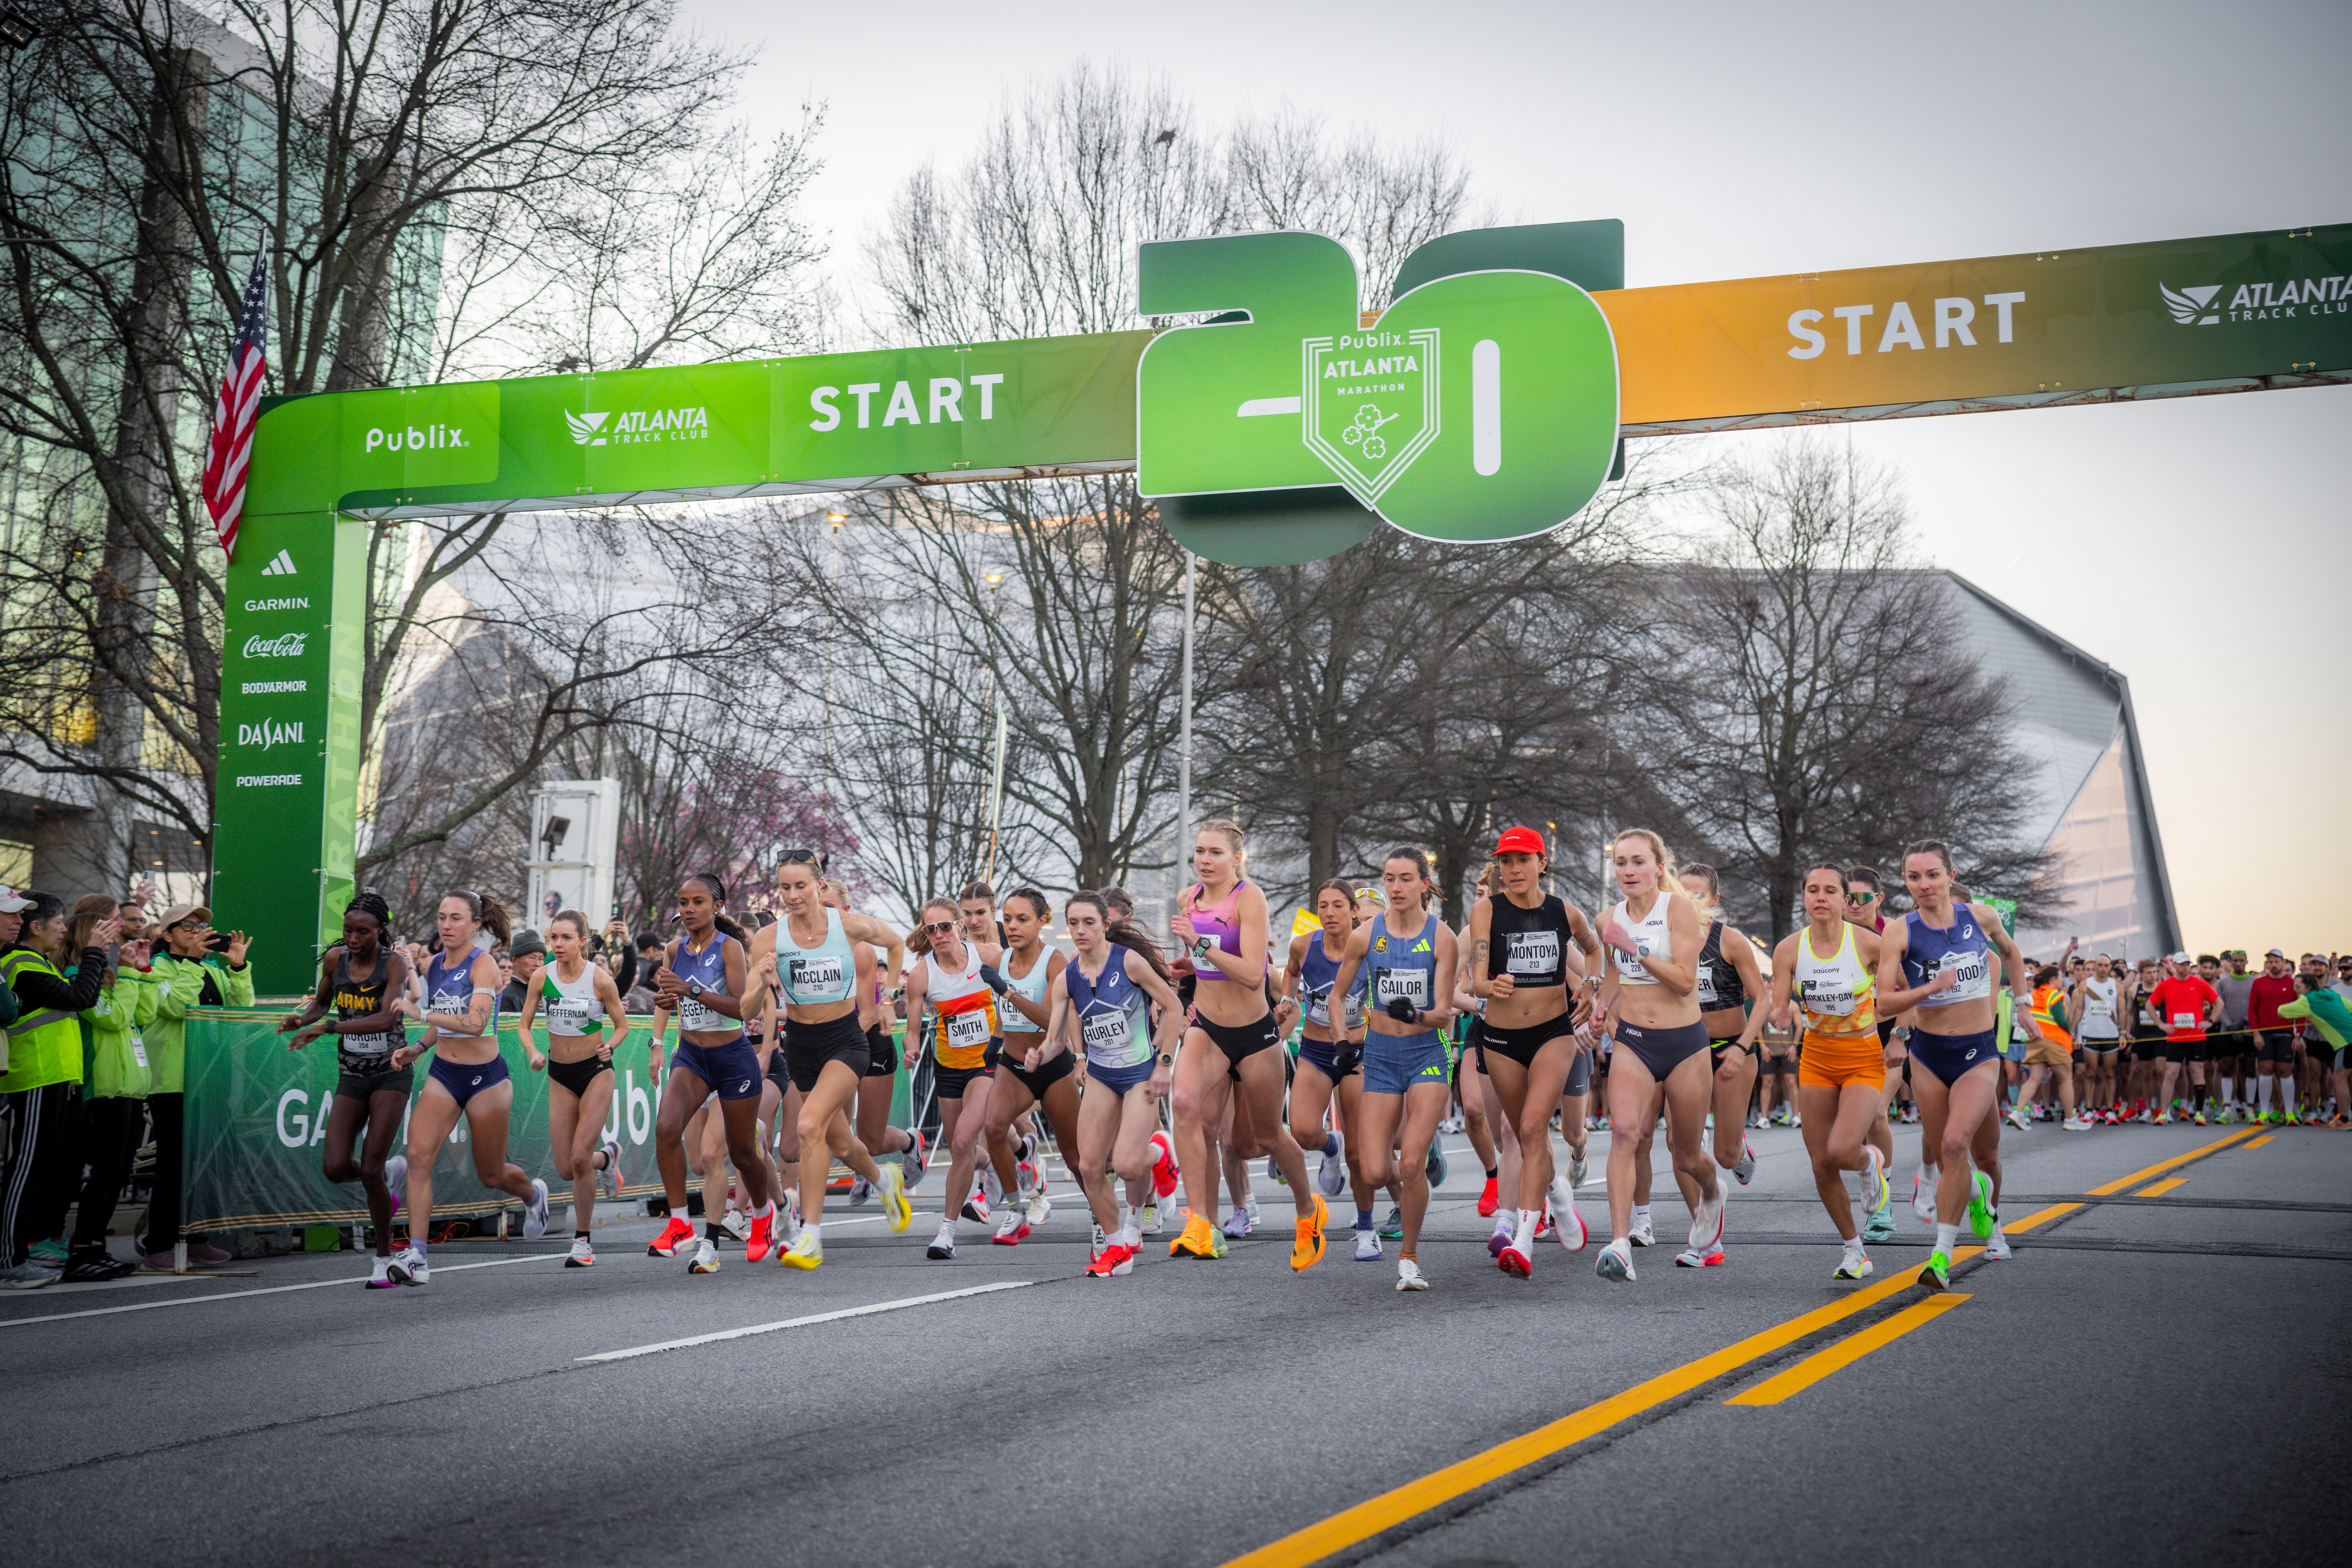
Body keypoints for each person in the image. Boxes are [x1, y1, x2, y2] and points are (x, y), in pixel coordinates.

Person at [1871, 842, 2036, 1290]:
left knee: (1966, 1145)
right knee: (1951, 1155)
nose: (1923, 885)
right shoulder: (1900, 932)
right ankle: (1976, 1201)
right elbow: (1884, 1001)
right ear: (1905, 881)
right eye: (1913, 877)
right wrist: (1926, 991)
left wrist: (2023, 1005)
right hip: (1929, 1055)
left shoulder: (1980, 917)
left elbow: (2012, 953)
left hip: (1978, 1052)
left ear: (1950, 875)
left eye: (1932, 875)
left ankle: (1944, 1255)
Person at [739, 850, 912, 1269]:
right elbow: (744, 1011)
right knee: (840, 1143)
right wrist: (762, 984)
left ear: (819, 886)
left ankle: (810, 1237)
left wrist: (888, 998)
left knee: (808, 1126)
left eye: (801, 886)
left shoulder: (848, 927)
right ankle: (883, 1179)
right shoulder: (769, 939)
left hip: (846, 1042)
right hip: (800, 1045)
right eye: (785, 887)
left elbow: (895, 942)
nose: (793, 895)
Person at [1166, 820, 1327, 1271]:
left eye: (1215, 853)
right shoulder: (1188, 901)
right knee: (1185, 1108)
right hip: (1208, 1027)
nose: (1204, 860)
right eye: (1199, 851)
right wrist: (1189, 964)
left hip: (1254, 1033)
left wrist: (1200, 945)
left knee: (1267, 1136)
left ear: (1237, 859)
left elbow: (1254, 973)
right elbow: (1208, 963)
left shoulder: (1249, 898)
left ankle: (1307, 1212)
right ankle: (1201, 1223)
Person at [383, 891, 548, 1284]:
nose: (447, 925)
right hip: (444, 1073)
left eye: (456, 918)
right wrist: (418, 1048)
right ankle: (417, 1258)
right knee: (419, 1157)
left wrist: (420, 1012)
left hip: (485, 1079)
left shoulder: (485, 965)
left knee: (490, 1175)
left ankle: (532, 1195)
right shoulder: (436, 964)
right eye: (442, 917)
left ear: (476, 924)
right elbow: (442, 1021)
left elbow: (474, 1023)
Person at [1587, 830, 1723, 1284]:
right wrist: (1600, 1005)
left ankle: (1711, 1190)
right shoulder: (1608, 917)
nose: (1629, 871)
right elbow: (1612, 971)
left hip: (1685, 1044)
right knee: (1624, 1133)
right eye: (1622, 863)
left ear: (1659, 868)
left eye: (1638, 862)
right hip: (1633, 1041)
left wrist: (1636, 949)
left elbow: (1685, 981)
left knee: (1686, 1156)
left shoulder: (1678, 909)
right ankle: (1621, 1244)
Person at [1466, 827, 1598, 1280]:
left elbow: (1595, 951)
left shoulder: (1564, 912)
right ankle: (1559, 1195)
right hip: (1501, 1038)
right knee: (1528, 1138)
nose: (1513, 869)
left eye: (1523, 860)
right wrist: (1491, 985)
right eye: (1505, 862)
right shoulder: (1486, 910)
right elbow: (1477, 979)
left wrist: (1593, 987)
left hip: (1553, 1033)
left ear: (1543, 863)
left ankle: (1523, 1239)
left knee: (1529, 1126)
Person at [1327, 848, 1457, 1290]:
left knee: (1412, 1163)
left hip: (1427, 1053)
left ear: (1424, 884)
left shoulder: (1443, 938)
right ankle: (1414, 1172)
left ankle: (1409, 1258)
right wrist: (1344, 1041)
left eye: (1406, 879)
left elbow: (1445, 1015)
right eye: (1389, 879)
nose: (1396, 888)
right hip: (1380, 1056)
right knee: (1375, 1171)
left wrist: (1416, 1015)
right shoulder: (1366, 936)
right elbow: (1337, 996)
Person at [639, 875, 781, 1274]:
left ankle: (762, 1211)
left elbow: (740, 1008)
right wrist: (663, 1014)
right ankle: (681, 1223)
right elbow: (668, 998)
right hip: (692, 1057)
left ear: (717, 906)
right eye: (683, 902)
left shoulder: (730, 948)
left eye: (698, 902)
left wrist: (692, 991)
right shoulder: (673, 949)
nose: (688, 909)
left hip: (733, 1058)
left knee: (742, 1152)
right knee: (667, 1128)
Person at [278, 893, 415, 1287]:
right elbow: (322, 1003)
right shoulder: (336, 959)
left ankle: (384, 1259)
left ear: (380, 931)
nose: (353, 938)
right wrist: (301, 1019)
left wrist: (327, 1028)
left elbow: (385, 1021)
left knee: (370, 1166)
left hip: (391, 1072)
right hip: (352, 1075)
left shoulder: (395, 963)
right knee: (336, 1168)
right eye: (348, 931)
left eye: (363, 931)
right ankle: (386, 1178)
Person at [1762, 866, 1889, 1282]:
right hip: (1816, 1056)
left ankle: (1870, 1161)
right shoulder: (1788, 949)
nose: (1821, 897)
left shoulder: (1870, 944)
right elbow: (1780, 1007)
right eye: (1813, 890)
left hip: (1863, 1057)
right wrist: (1780, 1014)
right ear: (1804, 897)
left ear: (1844, 899)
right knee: (1821, 1164)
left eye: (1830, 891)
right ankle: (1855, 1249)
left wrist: (1899, 1032)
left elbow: (1901, 994)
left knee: (1841, 1150)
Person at [1, 893, 113, 1285]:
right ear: (38, 927)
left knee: (40, 1172)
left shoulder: (41, 962)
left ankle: (18, 1255)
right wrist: (97, 954)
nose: (65, 930)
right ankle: (8, 1260)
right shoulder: (18, 962)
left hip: (55, 1079)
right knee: (25, 1172)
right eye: (60, 922)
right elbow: (81, 998)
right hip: (33, 1078)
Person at [137, 902, 254, 1270]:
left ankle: (197, 1236)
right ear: (167, 934)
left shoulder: (212, 970)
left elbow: (242, 1010)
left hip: (211, 1077)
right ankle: (159, 1243)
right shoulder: (156, 968)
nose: (196, 929)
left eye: (201, 924)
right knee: (174, 1164)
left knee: (211, 1162)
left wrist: (237, 969)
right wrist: (190, 962)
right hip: (173, 1080)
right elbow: (176, 1007)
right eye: (186, 925)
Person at [518, 909, 630, 1268]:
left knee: (579, 1157)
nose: (558, 944)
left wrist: (610, 1046)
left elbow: (622, 1025)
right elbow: (524, 1026)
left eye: (566, 938)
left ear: (583, 941)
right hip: (559, 1074)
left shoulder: (599, 980)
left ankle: (582, 1242)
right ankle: (608, 1158)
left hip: (596, 1071)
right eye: (554, 938)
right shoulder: (541, 977)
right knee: (567, 1168)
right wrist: (534, 1052)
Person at [901, 895, 1006, 1260]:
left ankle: (946, 1233)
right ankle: (996, 1162)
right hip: (948, 1066)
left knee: (963, 1142)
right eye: (931, 930)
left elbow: (1015, 992)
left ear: (960, 926)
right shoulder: (922, 974)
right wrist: (910, 1048)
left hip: (987, 1064)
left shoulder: (988, 955)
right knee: (956, 1146)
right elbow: (913, 1030)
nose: (939, 935)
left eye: (945, 927)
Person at [1281, 879, 1377, 1258]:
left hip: (1358, 1053)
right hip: (1317, 1051)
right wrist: (1289, 999)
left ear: (1354, 911)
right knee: (1303, 1130)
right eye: (1323, 906)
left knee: (1359, 1153)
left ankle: (1366, 1228)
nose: (1330, 913)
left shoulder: (1369, 948)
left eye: (1339, 905)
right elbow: (1290, 972)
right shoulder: (1305, 945)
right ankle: (1328, 1145)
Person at [62, 897, 155, 1281]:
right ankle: (83, 1247)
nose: (120, 930)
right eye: (112, 924)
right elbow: (115, 1019)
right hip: (105, 1088)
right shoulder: (74, 974)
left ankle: (97, 1246)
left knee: (118, 1173)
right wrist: (130, 978)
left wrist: (139, 970)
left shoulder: (115, 977)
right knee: (104, 1172)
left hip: (129, 1088)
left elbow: (143, 1015)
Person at [975, 888, 1072, 1245]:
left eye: (1023, 920)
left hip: (1052, 1065)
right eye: (1008, 920)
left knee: (1075, 1156)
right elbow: (1006, 1015)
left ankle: (1100, 1220)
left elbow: (1051, 1020)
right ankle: (1016, 1211)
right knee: (994, 1127)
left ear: (1042, 921)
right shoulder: (1001, 961)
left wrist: (1008, 992)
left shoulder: (1055, 962)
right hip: (1013, 1065)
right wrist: (996, 1041)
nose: (1013, 927)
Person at [832, 878, 925, 1210]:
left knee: (871, 1139)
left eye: (830, 908)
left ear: (846, 910)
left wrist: (888, 999)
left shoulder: (861, 948)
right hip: (835, 1043)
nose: (823, 915)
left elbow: (868, 1016)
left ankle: (910, 1140)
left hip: (869, 1040)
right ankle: (865, 1172)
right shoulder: (808, 946)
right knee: (833, 1128)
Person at [1681, 863, 1766, 1204]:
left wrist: (1742, 1047)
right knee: (1681, 1144)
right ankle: (1704, 1215)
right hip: (1687, 1049)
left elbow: (1763, 1000)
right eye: (1681, 893)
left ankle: (1741, 1149)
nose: (1688, 902)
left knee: (1726, 1157)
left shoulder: (1730, 940)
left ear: (1714, 899)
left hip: (1731, 1048)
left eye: (1698, 895)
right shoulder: (1665, 942)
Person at [2143, 957, 2220, 1125]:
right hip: (2176, 1037)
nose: (2185, 968)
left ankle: (2199, 1113)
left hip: (2197, 1036)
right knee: (2171, 1074)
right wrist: (2161, 1025)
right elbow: (2149, 1005)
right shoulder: (2166, 985)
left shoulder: (2199, 983)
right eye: (2182, 965)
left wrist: (2211, 1021)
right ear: (2175, 966)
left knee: (2197, 1073)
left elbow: (2218, 1003)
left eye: (2188, 965)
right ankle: (2163, 1113)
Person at [2247, 950, 2299, 1124]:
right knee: (2266, 1071)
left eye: (2277, 961)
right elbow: (2252, 1010)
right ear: (2267, 964)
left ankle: (2290, 1113)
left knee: (2286, 1071)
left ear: (2283, 963)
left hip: (2286, 1033)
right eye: (2271, 962)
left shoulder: (2292, 983)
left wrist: (2298, 1036)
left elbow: (2301, 1010)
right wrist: (2256, 1034)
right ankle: (2264, 1112)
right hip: (2264, 1035)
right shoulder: (2259, 983)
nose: (2274, 965)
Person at [497, 929, 547, 1015]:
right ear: (515, 960)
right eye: (532, 958)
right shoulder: (507, 998)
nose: (538, 964)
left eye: (541, 959)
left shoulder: (544, 994)